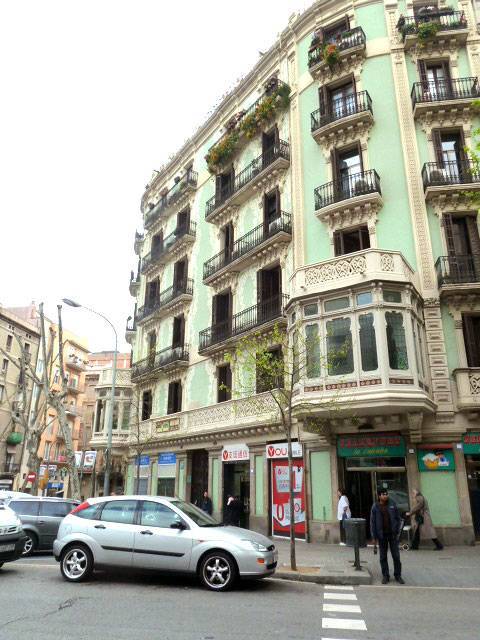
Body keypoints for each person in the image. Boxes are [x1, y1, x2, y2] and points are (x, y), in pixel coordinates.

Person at [370, 488, 405, 585]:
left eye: (386, 494)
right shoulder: (375, 507)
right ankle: (385, 575)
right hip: (382, 536)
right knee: (383, 557)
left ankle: (398, 575)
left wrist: (397, 530)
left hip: (393, 535)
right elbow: (372, 523)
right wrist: (374, 536)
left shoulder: (392, 504)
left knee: (396, 556)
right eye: (383, 494)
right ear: (379, 496)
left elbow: (398, 518)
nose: (385, 496)